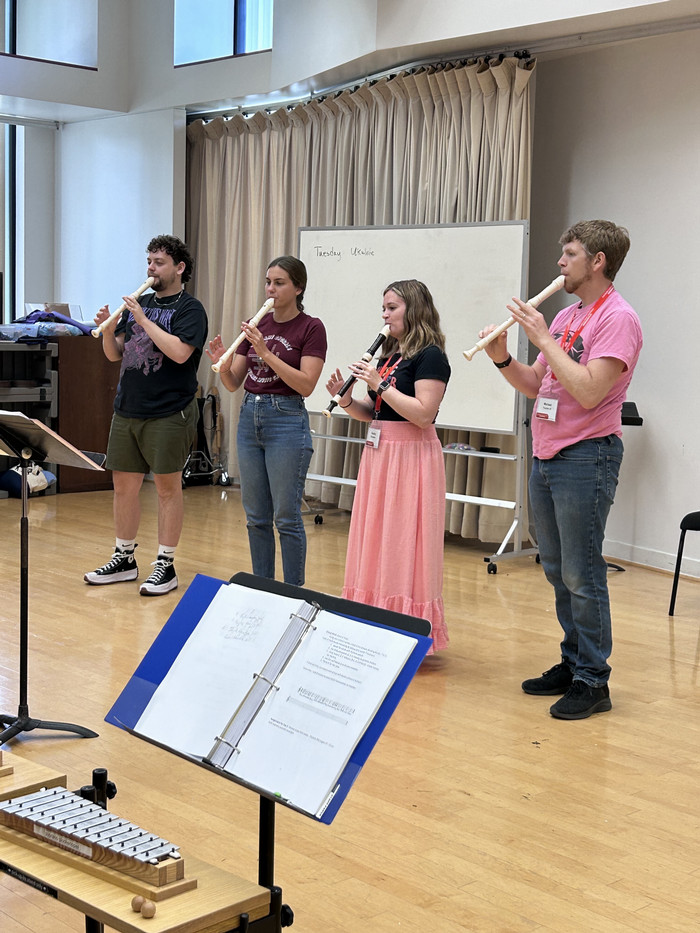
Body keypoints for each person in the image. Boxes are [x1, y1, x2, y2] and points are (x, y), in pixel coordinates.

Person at [480, 220, 643, 719]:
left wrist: (542, 337)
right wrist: (503, 356)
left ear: (597, 261)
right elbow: (537, 385)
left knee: (582, 570)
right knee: (556, 567)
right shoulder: (570, 315)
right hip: (548, 453)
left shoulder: (618, 318)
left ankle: (594, 680)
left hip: (587, 456)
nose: (559, 262)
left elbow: (591, 390)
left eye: (569, 253)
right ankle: (574, 663)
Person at [325, 280, 451, 653]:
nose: (384, 314)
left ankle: (407, 630)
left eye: (392, 307)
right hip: (381, 454)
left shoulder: (431, 356)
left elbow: (424, 415)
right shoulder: (390, 354)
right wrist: (347, 400)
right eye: (383, 308)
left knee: (402, 542)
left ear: (413, 309)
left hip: (411, 457)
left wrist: (380, 384)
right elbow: (375, 413)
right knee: (375, 537)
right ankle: (372, 619)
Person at [84, 235, 208, 596]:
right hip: (128, 408)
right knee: (123, 487)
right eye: (149, 261)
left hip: (169, 410)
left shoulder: (190, 309)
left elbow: (181, 353)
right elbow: (115, 354)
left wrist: (143, 318)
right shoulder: (141, 302)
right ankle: (124, 558)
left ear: (179, 268)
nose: (151, 268)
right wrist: (109, 329)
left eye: (159, 262)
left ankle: (165, 566)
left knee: (168, 490)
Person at [207, 256, 327, 586]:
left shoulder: (311, 327)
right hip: (250, 415)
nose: (270, 289)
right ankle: (262, 589)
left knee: (286, 517)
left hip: (286, 418)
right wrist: (224, 364)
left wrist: (266, 351)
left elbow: (305, 384)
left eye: (279, 283)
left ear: (298, 287)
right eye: (268, 281)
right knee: (256, 517)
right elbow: (233, 383)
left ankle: (293, 593)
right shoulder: (256, 323)